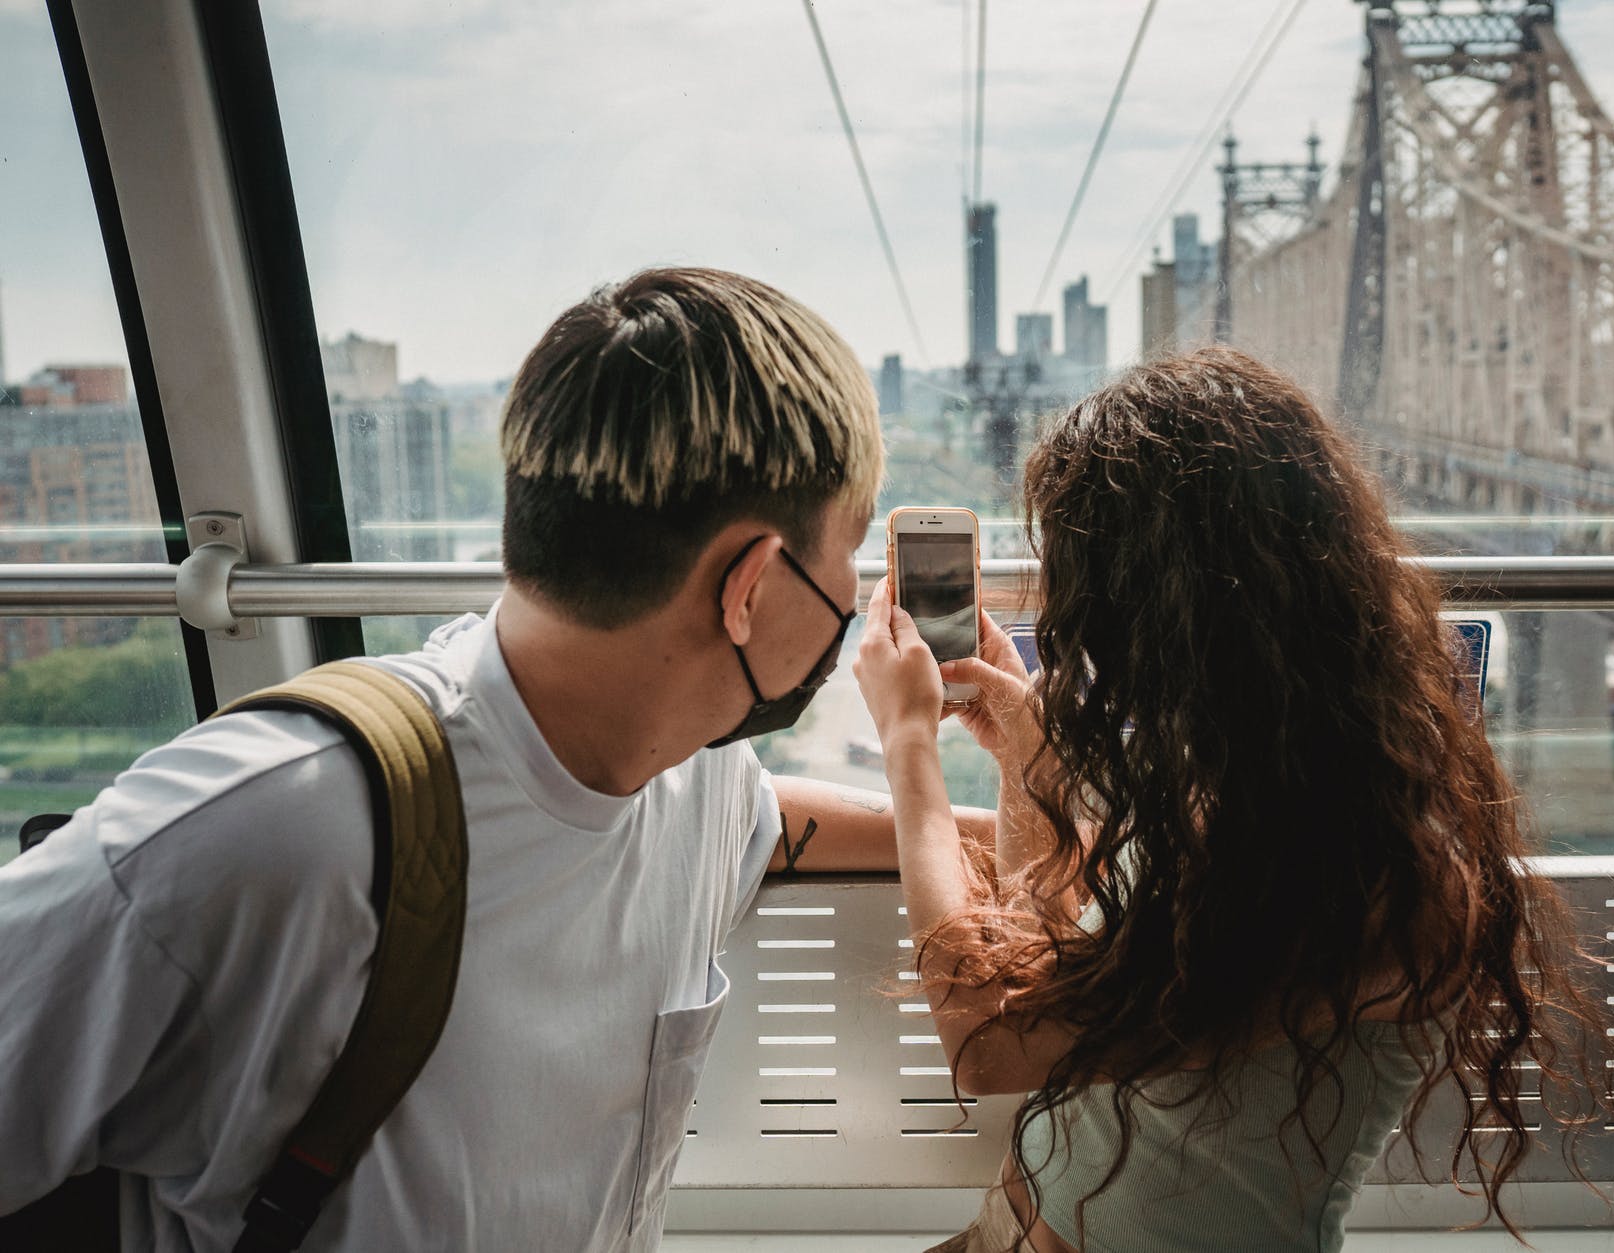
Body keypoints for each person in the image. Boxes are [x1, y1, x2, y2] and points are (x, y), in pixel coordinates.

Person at [0, 268, 983, 1251]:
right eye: (850, 549)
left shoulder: (694, 773)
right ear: (750, 584)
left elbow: (761, 821)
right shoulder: (269, 833)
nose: (856, 591)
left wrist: (986, 833)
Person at [854, 347, 1612, 1252]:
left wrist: (908, 744)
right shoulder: (1232, 790)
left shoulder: (1368, 875)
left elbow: (990, 1043)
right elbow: (1047, 961)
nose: (1065, 611)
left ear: (1181, 604)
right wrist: (1028, 767)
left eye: (1090, 584)